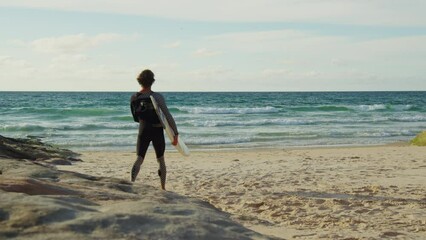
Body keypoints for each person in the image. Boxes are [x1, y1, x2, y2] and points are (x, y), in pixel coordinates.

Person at [130, 69, 178, 190]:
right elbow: (167, 115)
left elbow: (135, 118)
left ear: (140, 81)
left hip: (143, 129)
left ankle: (131, 183)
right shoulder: (157, 97)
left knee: (139, 158)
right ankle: (163, 187)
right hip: (157, 131)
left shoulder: (134, 98)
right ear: (152, 81)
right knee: (160, 159)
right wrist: (175, 134)